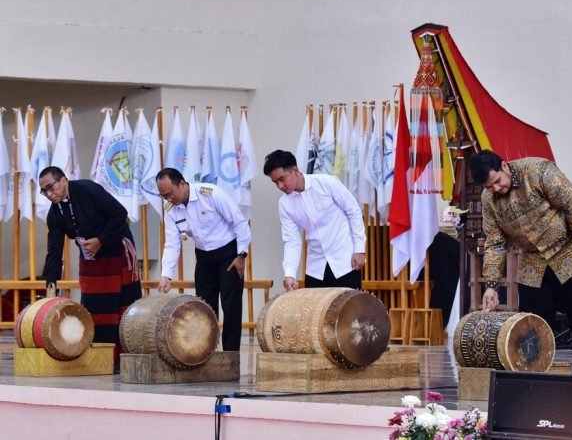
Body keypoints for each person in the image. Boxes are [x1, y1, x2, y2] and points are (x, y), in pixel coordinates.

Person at [469, 150, 572, 375]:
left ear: (504, 166)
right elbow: (495, 242)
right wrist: (491, 286)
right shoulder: (489, 199)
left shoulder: (538, 170)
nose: (495, 189)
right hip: (533, 259)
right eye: (488, 187)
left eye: (497, 182)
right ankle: (533, 371)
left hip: (570, 248)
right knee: (533, 320)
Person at [40, 166, 142, 366]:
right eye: (44, 191)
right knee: (94, 308)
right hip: (91, 258)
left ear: (63, 180)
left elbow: (119, 213)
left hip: (115, 248)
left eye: (51, 188)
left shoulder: (88, 189)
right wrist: (51, 285)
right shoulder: (55, 214)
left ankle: (127, 359)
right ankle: (102, 360)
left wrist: (101, 240)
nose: (49, 194)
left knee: (123, 305)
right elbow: (54, 250)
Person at [156, 168, 250, 352]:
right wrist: (166, 275)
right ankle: (206, 352)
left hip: (229, 255)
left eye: (170, 194)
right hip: (204, 258)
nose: (168, 199)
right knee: (204, 308)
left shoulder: (210, 193)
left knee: (231, 306)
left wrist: (241, 255)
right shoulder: (170, 210)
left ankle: (231, 355)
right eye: (164, 196)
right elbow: (172, 244)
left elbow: (239, 221)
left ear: (181, 184)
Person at [263, 150, 366, 291]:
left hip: (345, 262)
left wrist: (359, 249)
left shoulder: (327, 183)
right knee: (316, 312)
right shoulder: (284, 204)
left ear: (295, 171)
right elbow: (292, 240)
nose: (280, 186)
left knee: (350, 312)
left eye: (282, 179)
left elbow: (353, 211)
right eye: (275, 182)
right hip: (316, 268)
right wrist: (290, 274)